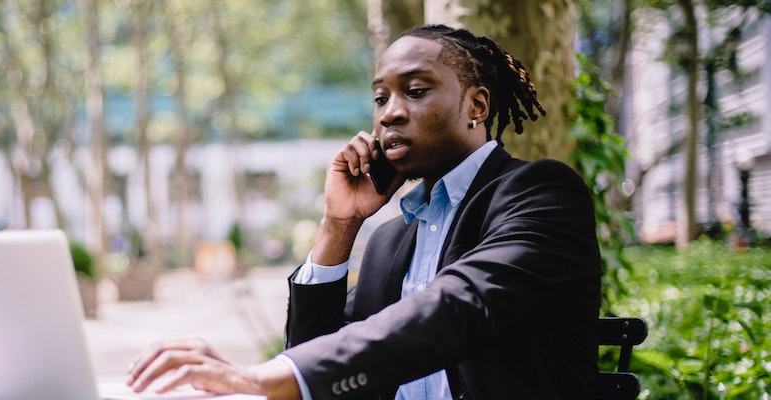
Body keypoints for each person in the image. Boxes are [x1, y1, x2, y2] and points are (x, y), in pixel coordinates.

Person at [125, 24, 601, 400]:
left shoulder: (539, 194)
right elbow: (312, 358)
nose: (389, 113)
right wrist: (340, 224)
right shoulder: (392, 240)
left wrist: (262, 378)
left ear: (475, 105)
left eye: (415, 91)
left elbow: (458, 306)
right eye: (380, 98)